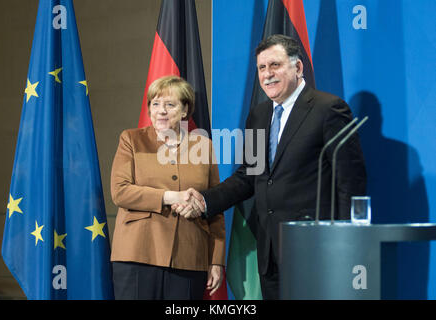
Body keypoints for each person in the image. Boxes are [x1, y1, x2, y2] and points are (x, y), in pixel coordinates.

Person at [175, 35, 367, 299]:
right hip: (270, 253)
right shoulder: (259, 115)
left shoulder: (328, 109)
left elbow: (350, 182)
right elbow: (247, 177)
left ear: (298, 68)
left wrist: (348, 243)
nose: (267, 74)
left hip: (315, 249)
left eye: (274, 65)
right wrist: (204, 200)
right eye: (262, 68)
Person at [110, 75, 225, 300]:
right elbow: (120, 191)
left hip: (189, 257)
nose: (161, 110)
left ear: (184, 110)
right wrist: (172, 196)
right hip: (137, 253)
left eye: (169, 105)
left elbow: (215, 206)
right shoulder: (131, 140)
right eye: (155, 104)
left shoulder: (203, 146)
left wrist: (216, 259)